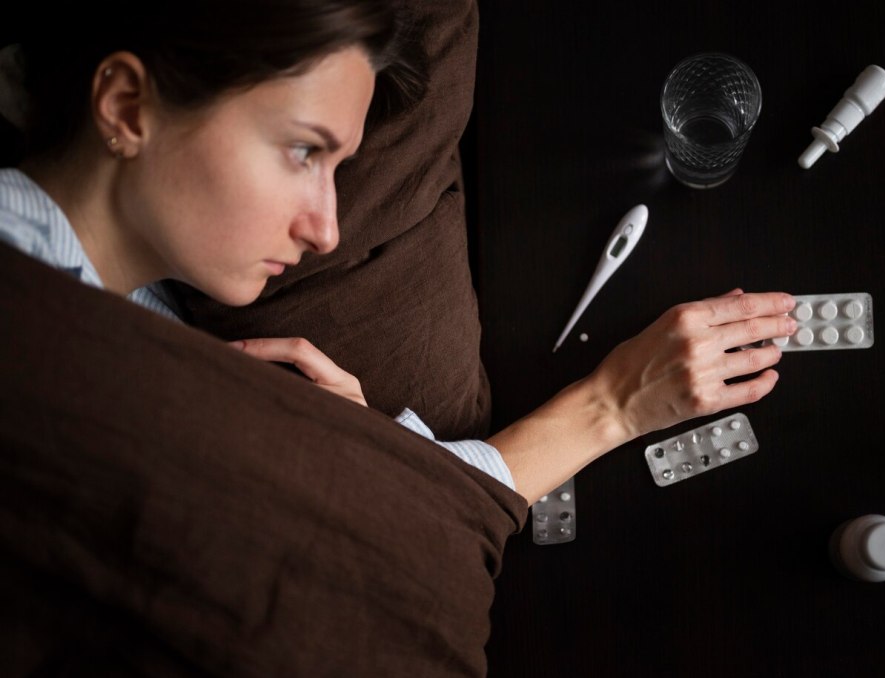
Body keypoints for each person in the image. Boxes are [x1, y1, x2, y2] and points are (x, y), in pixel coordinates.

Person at [0, 0, 796, 507]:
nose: (328, 230)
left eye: (340, 169)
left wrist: (365, 453)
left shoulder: (123, 308)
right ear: (126, 106)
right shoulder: (46, 342)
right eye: (303, 153)